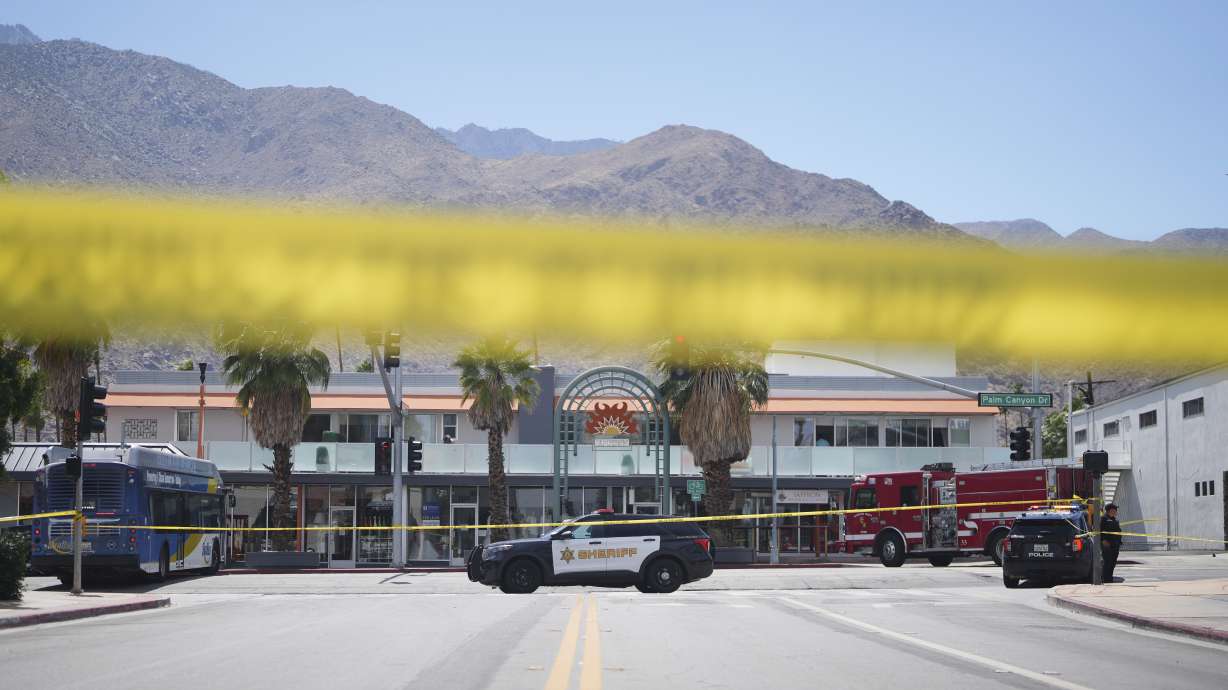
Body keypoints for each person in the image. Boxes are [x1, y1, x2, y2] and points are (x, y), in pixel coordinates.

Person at [1101, 503, 1122, 583]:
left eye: (1116, 510)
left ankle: (1109, 577)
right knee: (1107, 562)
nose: (1115, 511)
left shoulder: (1115, 520)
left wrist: (1119, 542)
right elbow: (1100, 531)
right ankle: (1105, 578)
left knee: (1113, 562)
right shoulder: (1103, 519)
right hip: (1107, 545)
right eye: (1114, 510)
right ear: (1109, 511)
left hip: (1115, 545)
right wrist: (1103, 540)